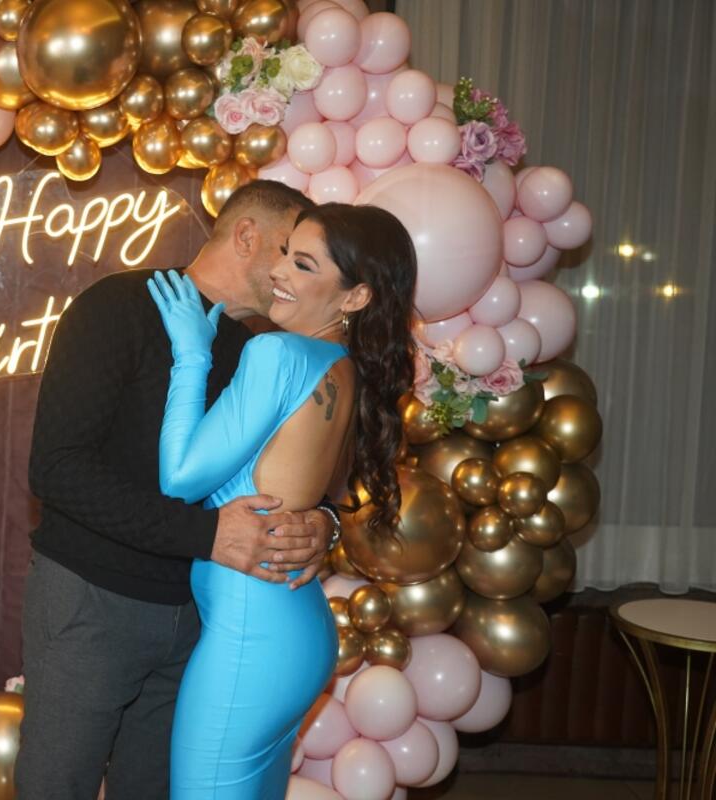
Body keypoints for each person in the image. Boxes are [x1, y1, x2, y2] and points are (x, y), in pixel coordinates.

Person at [18, 182, 340, 800]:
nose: (291, 276)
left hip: (201, 616)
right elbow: (56, 469)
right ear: (246, 236)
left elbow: (300, 469)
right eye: (289, 251)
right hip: (93, 600)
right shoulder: (118, 306)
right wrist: (208, 535)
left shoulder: (259, 349)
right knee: (57, 785)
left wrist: (326, 521)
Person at [149, 202, 417, 798]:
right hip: (297, 630)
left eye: (303, 264)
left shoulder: (276, 354)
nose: (279, 272)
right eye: (285, 254)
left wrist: (191, 354)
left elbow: (181, 479)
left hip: (252, 636)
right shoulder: (344, 367)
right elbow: (318, 495)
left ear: (355, 297)